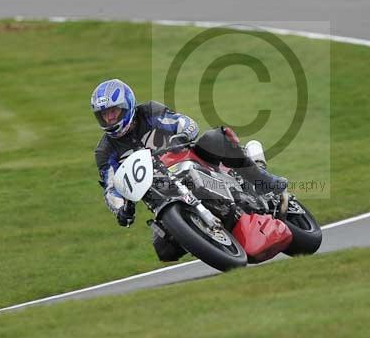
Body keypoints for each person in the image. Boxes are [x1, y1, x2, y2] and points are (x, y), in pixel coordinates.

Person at [90, 79, 288, 234]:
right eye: (104, 115)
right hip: (157, 191)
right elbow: (110, 188)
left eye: (113, 112)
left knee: (215, 139)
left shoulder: (148, 112)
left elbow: (184, 122)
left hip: (186, 161)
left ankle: (264, 180)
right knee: (164, 249)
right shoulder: (104, 151)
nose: (109, 119)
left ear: (127, 106)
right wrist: (121, 209)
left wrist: (181, 136)